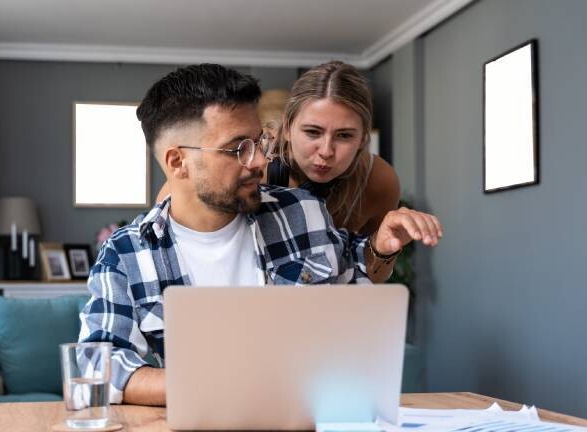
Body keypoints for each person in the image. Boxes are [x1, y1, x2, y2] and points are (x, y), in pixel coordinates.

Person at [78, 64, 442, 407]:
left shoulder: (303, 212)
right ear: (177, 163)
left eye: (258, 144)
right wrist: (224, 384)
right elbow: (99, 367)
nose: (258, 162)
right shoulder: (127, 254)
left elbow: (355, 279)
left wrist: (381, 245)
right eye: (238, 149)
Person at [156, 61, 440, 236]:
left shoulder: (378, 181)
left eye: (344, 136)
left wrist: (384, 247)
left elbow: (363, 276)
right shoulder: (253, 165)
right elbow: (167, 221)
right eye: (312, 132)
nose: (326, 150)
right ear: (287, 127)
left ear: (364, 137)